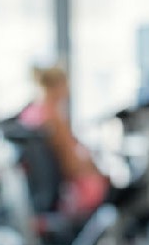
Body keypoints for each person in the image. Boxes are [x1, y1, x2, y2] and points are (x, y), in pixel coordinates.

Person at [19, 62, 109, 218]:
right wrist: (99, 172)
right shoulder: (54, 119)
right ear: (58, 86)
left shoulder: (30, 113)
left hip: (38, 192)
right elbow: (70, 165)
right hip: (67, 192)